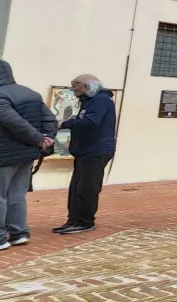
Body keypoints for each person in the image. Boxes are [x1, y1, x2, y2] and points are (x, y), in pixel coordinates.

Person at [0, 61, 56, 248]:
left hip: (4, 155)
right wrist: (46, 138)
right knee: (17, 194)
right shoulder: (31, 93)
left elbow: (13, 122)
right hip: (26, 154)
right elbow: (49, 118)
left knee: (1, 195)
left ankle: (1, 237)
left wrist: (38, 138)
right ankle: (18, 232)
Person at [56, 74, 117, 235]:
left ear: (87, 86)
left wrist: (65, 124)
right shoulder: (88, 101)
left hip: (96, 151)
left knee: (87, 188)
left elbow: (91, 122)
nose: (72, 88)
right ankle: (74, 220)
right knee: (76, 187)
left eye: (75, 84)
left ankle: (85, 222)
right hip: (85, 150)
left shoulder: (101, 100)